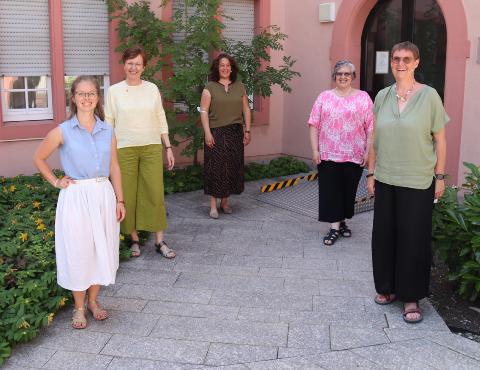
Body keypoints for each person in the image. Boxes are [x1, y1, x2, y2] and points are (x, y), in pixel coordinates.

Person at [33, 76, 126, 329]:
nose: (87, 98)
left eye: (91, 93)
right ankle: (79, 307)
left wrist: (120, 199)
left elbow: (114, 166)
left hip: (102, 194)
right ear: (73, 98)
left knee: (100, 248)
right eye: (81, 93)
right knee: (78, 250)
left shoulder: (108, 130)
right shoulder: (62, 131)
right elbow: (39, 158)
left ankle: (94, 302)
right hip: (76, 198)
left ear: (98, 98)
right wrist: (55, 181)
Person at [367, 41, 448, 323]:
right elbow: (374, 139)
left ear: (416, 63)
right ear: (391, 62)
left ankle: (411, 297)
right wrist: (371, 172)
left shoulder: (430, 96)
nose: (400, 63)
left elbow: (440, 139)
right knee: (384, 235)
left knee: (413, 239)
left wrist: (439, 176)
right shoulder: (382, 96)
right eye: (396, 59)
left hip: (418, 179)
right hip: (387, 177)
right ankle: (387, 288)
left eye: (406, 59)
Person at [105, 46, 175, 258]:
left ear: (144, 67)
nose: (133, 67)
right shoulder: (114, 91)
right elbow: (109, 123)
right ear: (124, 65)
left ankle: (159, 241)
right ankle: (134, 239)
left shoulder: (152, 89)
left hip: (151, 147)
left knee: (154, 192)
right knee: (126, 194)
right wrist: (108, 153)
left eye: (138, 63)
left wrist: (168, 147)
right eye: (130, 63)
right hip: (124, 149)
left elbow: (160, 117)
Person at [308, 60, 374, 246]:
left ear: (352, 77)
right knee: (331, 192)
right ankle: (334, 228)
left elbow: (371, 128)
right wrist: (314, 150)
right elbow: (314, 124)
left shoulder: (363, 98)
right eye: (339, 74)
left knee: (347, 192)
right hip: (328, 154)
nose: (343, 77)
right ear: (334, 77)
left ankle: (342, 221)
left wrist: (368, 152)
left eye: (347, 74)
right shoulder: (324, 97)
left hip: (354, 154)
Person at [199, 53, 252, 219]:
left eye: (228, 65)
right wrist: (207, 132)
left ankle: (225, 202)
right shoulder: (210, 87)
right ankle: (213, 205)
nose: (225, 68)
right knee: (215, 168)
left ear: (232, 68)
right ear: (217, 67)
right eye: (222, 65)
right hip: (216, 132)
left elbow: (245, 110)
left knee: (231, 167)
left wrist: (247, 130)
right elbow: (204, 112)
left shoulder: (240, 86)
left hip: (235, 132)